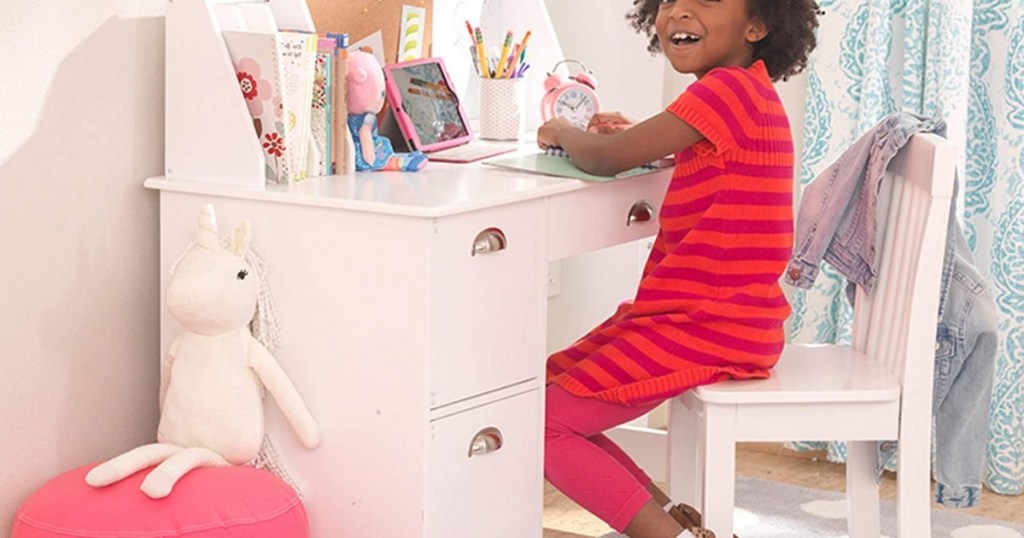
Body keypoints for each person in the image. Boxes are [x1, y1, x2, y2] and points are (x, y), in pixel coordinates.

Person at [537, 1, 821, 537]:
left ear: (758, 26)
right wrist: (630, 137)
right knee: (547, 391)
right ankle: (674, 520)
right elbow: (694, 153)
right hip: (717, 317)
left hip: (703, 324)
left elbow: (605, 159)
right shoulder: (746, 92)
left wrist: (564, 132)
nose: (678, 11)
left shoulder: (726, 90)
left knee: (541, 420)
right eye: (668, 0)